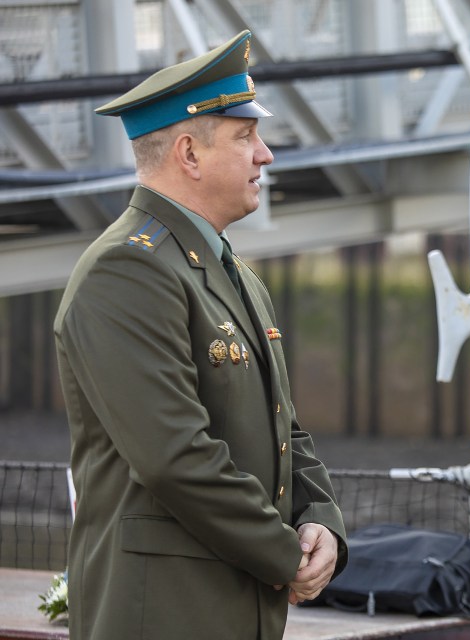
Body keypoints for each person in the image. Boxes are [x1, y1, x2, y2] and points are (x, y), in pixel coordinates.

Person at [54, 31, 347, 640]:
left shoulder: (228, 270)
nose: (265, 155)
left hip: (236, 609)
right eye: (246, 137)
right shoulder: (127, 270)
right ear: (189, 153)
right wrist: (284, 554)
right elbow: (176, 457)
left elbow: (282, 425)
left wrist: (322, 521)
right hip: (163, 613)